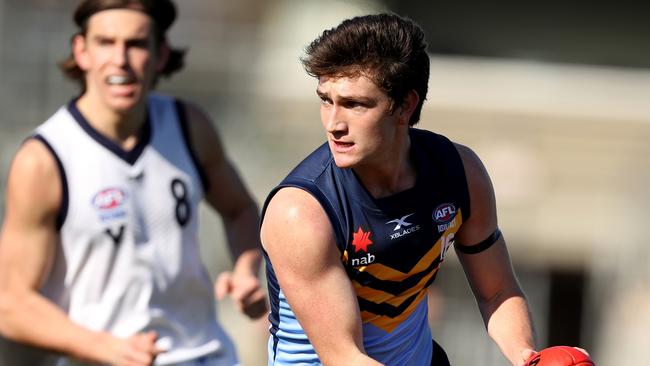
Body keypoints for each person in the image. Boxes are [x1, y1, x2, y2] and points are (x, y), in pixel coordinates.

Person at [260, 13, 537, 365]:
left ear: (405, 105)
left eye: (354, 104)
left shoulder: (460, 174)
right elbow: (345, 357)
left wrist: (529, 357)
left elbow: (498, 292)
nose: (334, 123)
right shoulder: (301, 213)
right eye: (326, 100)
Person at [0, 1, 267, 365]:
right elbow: (11, 305)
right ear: (82, 51)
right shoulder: (44, 158)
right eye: (106, 42)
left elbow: (239, 209)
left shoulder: (190, 126)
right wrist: (102, 346)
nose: (120, 59)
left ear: (161, 55)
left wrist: (246, 268)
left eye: (137, 44)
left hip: (205, 355)